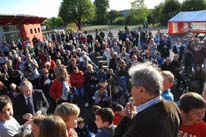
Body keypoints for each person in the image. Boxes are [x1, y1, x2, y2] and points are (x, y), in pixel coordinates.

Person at [114, 62, 181, 137]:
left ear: (142, 90)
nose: (131, 91)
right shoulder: (173, 106)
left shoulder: (142, 122)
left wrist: (126, 118)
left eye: (131, 86)